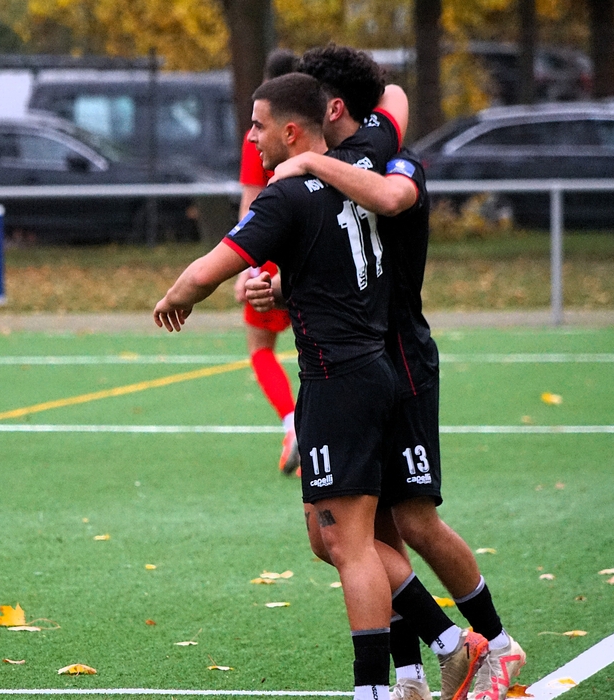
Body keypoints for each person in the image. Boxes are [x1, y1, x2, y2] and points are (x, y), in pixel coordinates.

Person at [154, 72, 486, 700]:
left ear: (290, 131)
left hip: (341, 380)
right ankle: (445, 642)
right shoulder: (359, 166)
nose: (250, 138)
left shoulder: (288, 195)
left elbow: (208, 271)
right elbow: (391, 103)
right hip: (366, 373)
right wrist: (281, 286)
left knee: (352, 544)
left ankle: (382, 685)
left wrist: (176, 296)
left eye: (257, 126)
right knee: (328, 537)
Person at [245, 45, 525, 700]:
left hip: (398, 356)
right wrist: (279, 288)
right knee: (364, 532)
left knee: (411, 521)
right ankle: (412, 674)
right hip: (357, 359)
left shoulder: (376, 157)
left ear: (331, 108)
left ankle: (494, 647)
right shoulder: (352, 151)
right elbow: (333, 264)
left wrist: (310, 161)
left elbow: (395, 189)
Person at [233, 48, 301, 476]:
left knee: (260, 350)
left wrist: (248, 266)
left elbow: (251, 202)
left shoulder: (258, 135)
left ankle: (294, 424)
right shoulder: (315, 128)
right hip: (322, 249)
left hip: (274, 256)